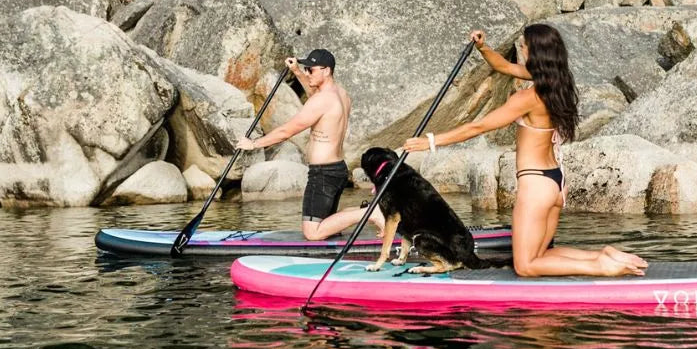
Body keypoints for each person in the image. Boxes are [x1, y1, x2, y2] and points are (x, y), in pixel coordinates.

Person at [402, 26, 648, 277]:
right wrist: (483, 48)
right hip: (555, 182)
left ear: (536, 53)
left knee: (526, 266)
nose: (522, 49)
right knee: (540, 255)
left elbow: (479, 126)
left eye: (525, 46)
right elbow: (505, 67)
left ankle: (602, 267)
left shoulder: (527, 98)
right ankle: (602, 254)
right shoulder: (558, 82)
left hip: (535, 186)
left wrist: (430, 142)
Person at [236, 49, 384, 241]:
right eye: (306, 69)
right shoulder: (341, 94)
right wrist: (297, 71)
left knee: (312, 232)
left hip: (323, 174)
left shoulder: (322, 101)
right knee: (328, 224)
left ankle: (371, 213)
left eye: (311, 70)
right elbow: (315, 94)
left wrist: (254, 144)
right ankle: (371, 210)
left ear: (326, 70)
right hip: (337, 170)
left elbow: (286, 131)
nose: (307, 73)